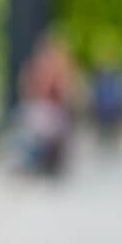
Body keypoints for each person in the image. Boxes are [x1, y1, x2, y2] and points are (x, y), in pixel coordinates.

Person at [17, 32, 80, 178]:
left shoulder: (62, 67)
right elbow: (28, 87)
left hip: (54, 110)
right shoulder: (36, 66)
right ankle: (34, 162)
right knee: (29, 124)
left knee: (50, 127)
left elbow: (69, 92)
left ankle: (46, 163)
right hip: (41, 108)